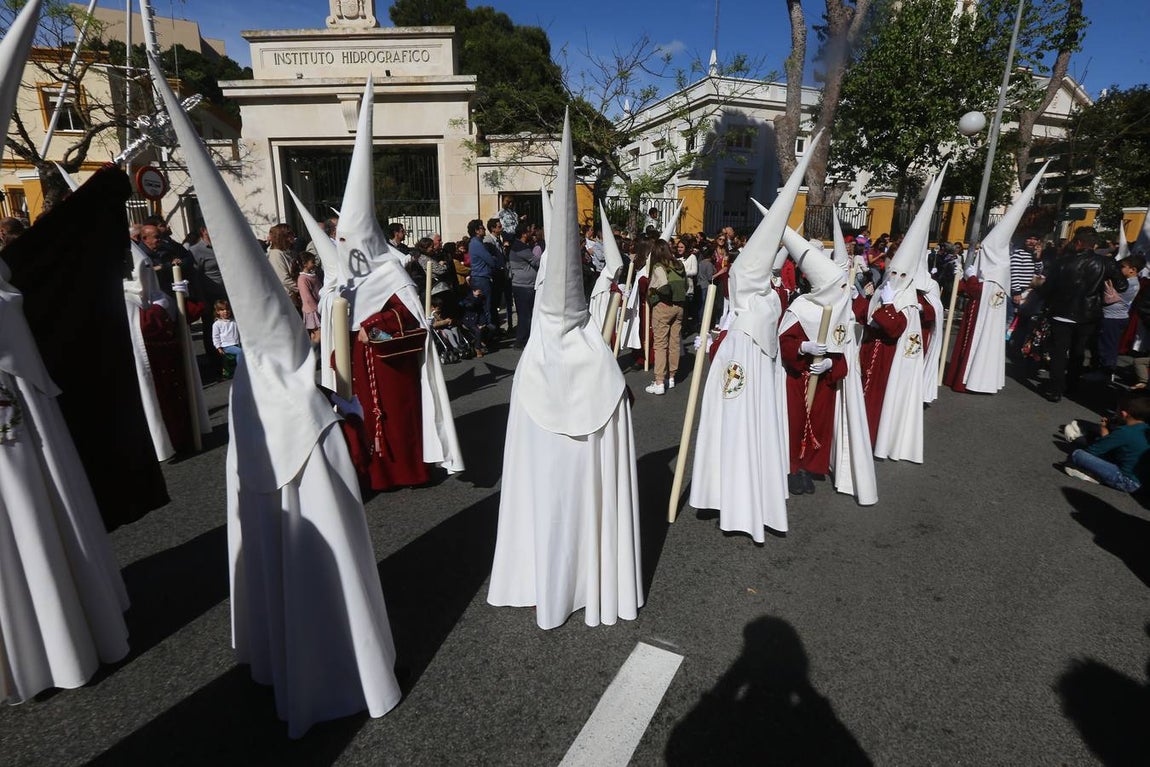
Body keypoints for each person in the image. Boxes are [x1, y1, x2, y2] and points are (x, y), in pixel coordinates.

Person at [160, 70, 405, 736]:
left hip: (272, 455)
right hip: (312, 450)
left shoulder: (246, 388)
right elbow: (332, 419)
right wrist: (342, 407)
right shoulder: (298, 377)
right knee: (327, 568)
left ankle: (277, 655)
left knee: (275, 557)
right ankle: (344, 665)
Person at [487, 112, 642, 630]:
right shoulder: (599, 355)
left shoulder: (533, 354)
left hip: (548, 463)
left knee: (546, 502)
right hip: (579, 447)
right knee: (584, 502)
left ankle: (543, 580)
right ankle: (595, 576)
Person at [689, 133, 823, 542]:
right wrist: (713, 343)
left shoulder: (753, 311)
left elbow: (731, 357)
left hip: (739, 378)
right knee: (745, 433)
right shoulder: (763, 306)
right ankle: (743, 496)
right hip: (744, 372)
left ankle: (735, 500)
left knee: (735, 433)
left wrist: (714, 345)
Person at [945, 166, 1048, 395]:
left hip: (984, 314)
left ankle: (973, 378)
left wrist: (970, 276)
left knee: (983, 344)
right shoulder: (1001, 261)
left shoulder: (998, 265)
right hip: (981, 311)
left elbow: (980, 291)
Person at [1041, 228, 1128, 402]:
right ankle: (1072, 385)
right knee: (1078, 351)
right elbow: (1122, 286)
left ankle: (1056, 389)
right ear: (1094, 245)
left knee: (1059, 352)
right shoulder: (1105, 263)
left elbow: (1048, 288)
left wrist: (1047, 304)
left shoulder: (1062, 262)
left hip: (1061, 312)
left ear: (1079, 243)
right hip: (1088, 313)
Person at [1060, 393, 1150, 493]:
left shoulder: (1125, 432)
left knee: (1077, 454)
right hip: (1143, 481)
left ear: (1124, 414)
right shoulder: (1145, 429)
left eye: (1117, 409)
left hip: (1127, 481)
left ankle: (1093, 476)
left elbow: (1093, 451)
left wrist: (1104, 431)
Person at [646, 239, 687, 395]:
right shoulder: (679, 265)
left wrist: (654, 294)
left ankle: (659, 382)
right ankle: (671, 377)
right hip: (679, 307)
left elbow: (663, 286)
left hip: (664, 306)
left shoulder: (659, 266)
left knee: (660, 344)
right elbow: (686, 286)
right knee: (675, 342)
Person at [507, 226, 540, 347]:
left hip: (521, 284)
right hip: (524, 286)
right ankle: (522, 340)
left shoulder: (517, 246)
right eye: (529, 231)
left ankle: (522, 338)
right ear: (524, 234)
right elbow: (536, 261)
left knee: (524, 313)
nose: (532, 233)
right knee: (525, 314)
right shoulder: (520, 247)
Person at [266, 223, 300, 311]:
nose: (293, 236)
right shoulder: (276, 255)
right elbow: (284, 279)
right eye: (290, 234)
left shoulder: (289, 252)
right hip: (288, 298)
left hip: (296, 297)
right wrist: (301, 289)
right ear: (283, 236)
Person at [211, 298, 243, 373]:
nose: (225, 311)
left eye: (227, 309)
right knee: (240, 352)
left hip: (237, 344)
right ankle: (241, 370)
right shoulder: (217, 324)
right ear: (218, 311)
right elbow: (215, 337)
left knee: (243, 352)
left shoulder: (234, 321)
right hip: (226, 346)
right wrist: (218, 347)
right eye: (222, 310)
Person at [297, 253, 321, 343]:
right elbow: (307, 298)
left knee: (316, 334)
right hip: (312, 310)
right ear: (305, 264)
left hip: (318, 307)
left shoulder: (313, 276)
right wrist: (318, 309)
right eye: (312, 262)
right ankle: (315, 354)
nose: (314, 264)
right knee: (318, 334)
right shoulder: (302, 279)